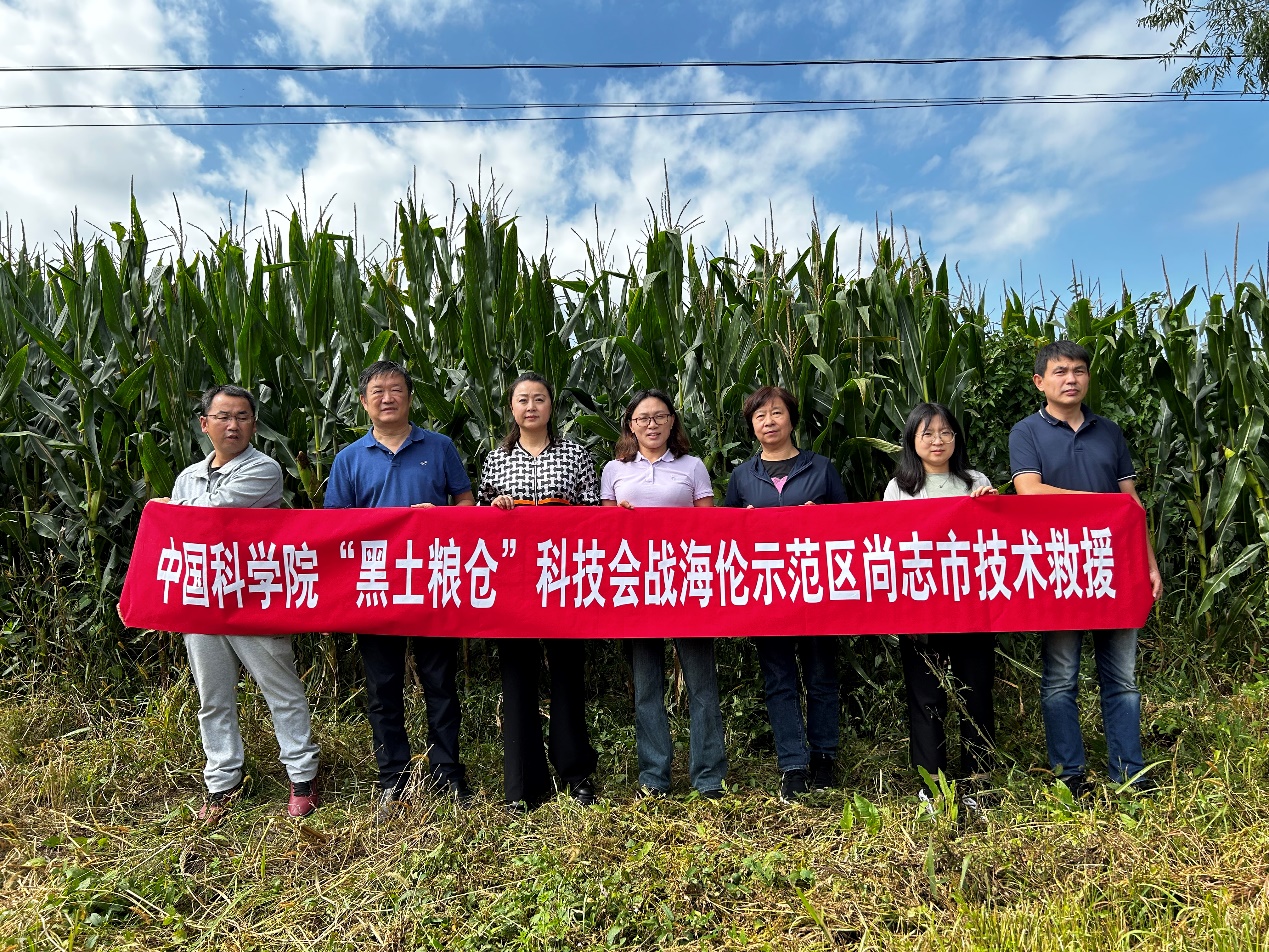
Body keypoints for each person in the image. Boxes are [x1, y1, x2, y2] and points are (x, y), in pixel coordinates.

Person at [1010, 340, 1164, 798]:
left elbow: (1131, 504)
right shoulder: (1026, 432)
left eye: (1078, 370)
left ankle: (1129, 772)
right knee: (1061, 678)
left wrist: (1149, 563)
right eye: (1059, 372)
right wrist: (1101, 504)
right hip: (1058, 568)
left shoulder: (1108, 432)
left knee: (1123, 680)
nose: (1071, 379)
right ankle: (1070, 775)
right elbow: (1029, 492)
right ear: (1040, 382)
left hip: (1115, 565)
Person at [324, 360, 475, 818]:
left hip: (433, 581)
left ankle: (447, 773)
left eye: (396, 390)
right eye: (377, 391)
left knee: (440, 682)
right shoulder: (349, 458)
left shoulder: (440, 447)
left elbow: (465, 502)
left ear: (410, 397)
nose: (387, 398)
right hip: (375, 586)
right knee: (383, 687)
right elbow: (335, 525)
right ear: (363, 401)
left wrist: (440, 516)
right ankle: (394, 778)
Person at [165, 384, 320, 823]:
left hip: (254, 596)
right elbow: (181, 531)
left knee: (280, 689)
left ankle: (303, 775)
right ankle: (222, 782)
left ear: (254, 425)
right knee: (212, 697)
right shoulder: (188, 477)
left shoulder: (264, 469)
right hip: (202, 597)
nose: (232, 425)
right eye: (223, 416)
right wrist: (176, 511)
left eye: (242, 417)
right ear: (204, 424)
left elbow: (212, 515)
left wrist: (172, 508)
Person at [478, 372, 601, 810]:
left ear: (551, 406)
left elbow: (592, 513)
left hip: (564, 578)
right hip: (513, 585)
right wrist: (495, 508)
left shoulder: (575, 454)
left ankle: (576, 773)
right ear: (511, 408)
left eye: (539, 399)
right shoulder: (496, 459)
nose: (531, 407)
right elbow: (478, 519)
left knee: (568, 674)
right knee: (517, 678)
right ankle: (523, 785)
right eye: (523, 400)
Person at [722, 385, 847, 802]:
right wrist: (744, 523)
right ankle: (793, 765)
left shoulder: (821, 468)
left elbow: (852, 527)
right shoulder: (743, 477)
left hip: (817, 588)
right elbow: (725, 538)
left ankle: (824, 758)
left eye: (776, 413)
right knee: (779, 679)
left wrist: (821, 519)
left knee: (821, 675)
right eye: (760, 416)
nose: (769, 422)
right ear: (752, 426)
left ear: (792, 418)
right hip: (767, 593)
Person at [601, 388, 727, 800]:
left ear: (673, 421)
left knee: (702, 685)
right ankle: (654, 776)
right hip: (636, 588)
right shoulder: (614, 470)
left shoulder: (693, 466)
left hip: (687, 583)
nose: (651, 424)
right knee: (647, 687)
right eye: (642, 418)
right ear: (630, 425)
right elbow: (604, 534)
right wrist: (620, 520)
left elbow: (709, 528)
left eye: (659, 416)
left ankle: (708, 776)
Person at [883, 402, 998, 790]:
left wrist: (991, 505)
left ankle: (980, 779)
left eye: (946, 432)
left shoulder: (974, 481)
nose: (937, 440)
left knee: (976, 691)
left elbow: (994, 538)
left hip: (972, 606)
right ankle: (932, 783)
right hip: (922, 608)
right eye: (927, 433)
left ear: (956, 438)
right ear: (912, 440)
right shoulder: (899, 488)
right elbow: (890, 544)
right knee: (926, 696)